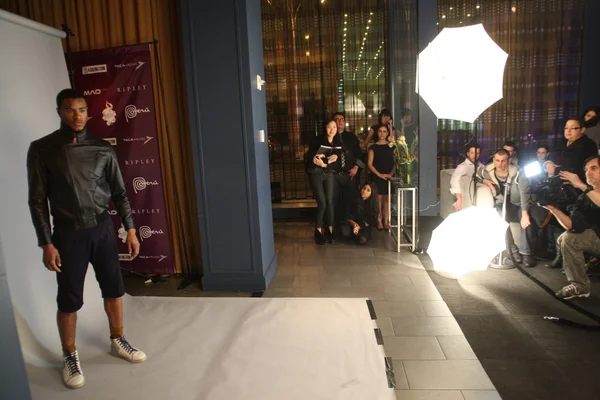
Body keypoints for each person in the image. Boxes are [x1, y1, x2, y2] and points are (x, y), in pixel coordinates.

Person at [26, 89, 146, 389]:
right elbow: (37, 200)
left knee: (113, 289)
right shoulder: (42, 149)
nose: (76, 115)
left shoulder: (103, 149)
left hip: (103, 229)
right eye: (70, 110)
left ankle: (118, 340)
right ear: (59, 112)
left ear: (88, 113)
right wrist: (46, 242)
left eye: (81, 109)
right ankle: (70, 354)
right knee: (69, 299)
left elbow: (119, 192)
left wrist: (130, 229)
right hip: (67, 235)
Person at [544, 156, 600, 299]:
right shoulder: (584, 197)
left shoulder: (586, 191)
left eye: (594, 168)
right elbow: (572, 225)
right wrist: (553, 209)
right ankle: (580, 286)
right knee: (566, 238)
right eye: (586, 169)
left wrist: (581, 185)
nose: (588, 173)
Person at [481, 149, 535, 267]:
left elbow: (524, 193)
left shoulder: (519, 172)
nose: (500, 164)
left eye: (503, 161)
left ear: (509, 160)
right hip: (501, 204)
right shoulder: (488, 170)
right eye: (497, 160)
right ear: (493, 160)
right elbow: (476, 175)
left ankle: (526, 254)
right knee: (500, 219)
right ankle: (513, 251)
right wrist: (485, 180)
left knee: (526, 221)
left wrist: (525, 214)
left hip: (518, 204)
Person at [306, 119, 342, 244]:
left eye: (334, 127)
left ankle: (330, 229)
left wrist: (329, 162)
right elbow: (310, 157)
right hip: (315, 174)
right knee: (322, 203)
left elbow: (338, 164)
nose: (332, 130)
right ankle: (319, 230)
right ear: (325, 128)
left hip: (329, 174)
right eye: (329, 127)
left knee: (330, 201)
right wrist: (317, 159)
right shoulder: (317, 140)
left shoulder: (338, 142)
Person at [545, 117, 598, 182]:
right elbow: (550, 156)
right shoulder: (561, 142)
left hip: (577, 184)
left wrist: (555, 170)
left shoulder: (588, 145)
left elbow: (576, 166)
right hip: (556, 181)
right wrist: (548, 164)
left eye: (573, 128)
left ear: (582, 130)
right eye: (566, 128)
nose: (568, 130)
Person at [368, 124, 396, 231]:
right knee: (378, 200)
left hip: (389, 176)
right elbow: (370, 164)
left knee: (387, 200)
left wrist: (390, 174)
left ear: (388, 133)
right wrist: (379, 175)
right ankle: (379, 220)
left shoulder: (392, 146)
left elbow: (395, 162)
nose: (382, 134)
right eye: (380, 131)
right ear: (377, 133)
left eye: (384, 131)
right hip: (377, 176)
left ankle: (386, 221)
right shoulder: (373, 147)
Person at [450, 144, 484, 211]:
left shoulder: (482, 166)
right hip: (468, 197)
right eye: (472, 153)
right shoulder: (463, 166)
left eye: (477, 153)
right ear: (468, 154)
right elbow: (454, 181)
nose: (474, 155)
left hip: (480, 196)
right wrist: (459, 199)